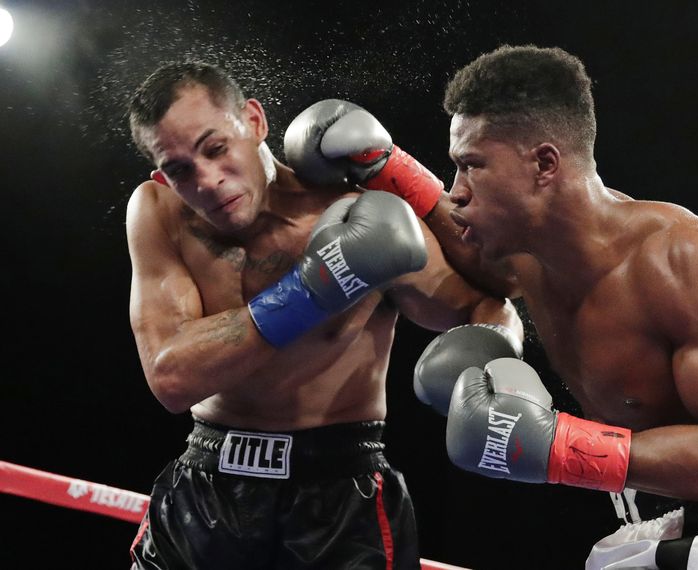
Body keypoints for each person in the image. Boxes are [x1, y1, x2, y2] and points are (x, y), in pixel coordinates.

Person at [413, 45, 698, 569]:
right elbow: (451, 232)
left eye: (471, 166)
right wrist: (388, 168)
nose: (456, 191)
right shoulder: (528, 257)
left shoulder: (694, 261)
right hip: (637, 531)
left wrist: (558, 447)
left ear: (544, 164)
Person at [124, 61, 522, 569]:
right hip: (208, 484)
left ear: (253, 121)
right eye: (180, 170)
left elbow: (490, 296)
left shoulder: (357, 211)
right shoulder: (159, 211)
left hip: (338, 498)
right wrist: (318, 288)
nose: (208, 180)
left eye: (215, 147)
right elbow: (171, 378)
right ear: (162, 175)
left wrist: (497, 356)